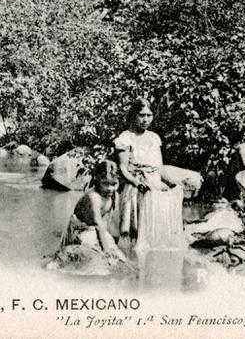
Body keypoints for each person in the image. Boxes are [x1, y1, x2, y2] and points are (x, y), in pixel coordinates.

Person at [113, 98, 174, 240]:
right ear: (134, 115)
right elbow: (122, 169)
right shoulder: (125, 138)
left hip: (153, 184)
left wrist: (162, 184)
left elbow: (159, 166)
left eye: (149, 115)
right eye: (141, 115)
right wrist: (137, 183)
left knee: (153, 228)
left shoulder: (154, 138)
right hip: (134, 186)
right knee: (133, 228)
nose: (145, 119)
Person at [60, 160, 127, 263]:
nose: (110, 188)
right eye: (105, 183)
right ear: (97, 179)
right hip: (82, 230)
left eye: (114, 184)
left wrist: (113, 244)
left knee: (120, 257)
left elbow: (111, 221)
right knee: (100, 258)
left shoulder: (114, 195)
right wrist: (106, 250)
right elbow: (98, 223)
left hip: (96, 229)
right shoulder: (94, 197)